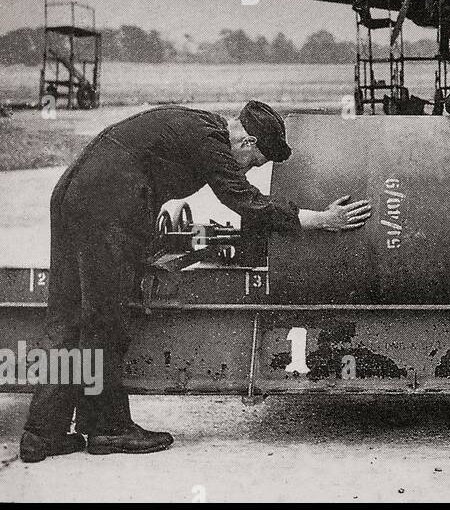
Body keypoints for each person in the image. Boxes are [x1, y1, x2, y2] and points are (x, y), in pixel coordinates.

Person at [20, 101, 371, 462]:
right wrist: (320, 219)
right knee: (104, 320)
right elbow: (245, 201)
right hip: (105, 207)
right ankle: (107, 429)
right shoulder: (211, 143)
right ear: (248, 143)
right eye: (255, 162)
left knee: (66, 320)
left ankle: (41, 435)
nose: (249, 169)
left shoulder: (201, 125)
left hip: (73, 193)